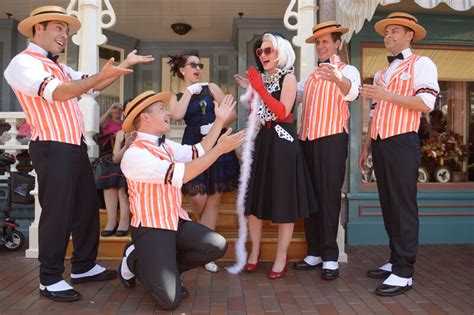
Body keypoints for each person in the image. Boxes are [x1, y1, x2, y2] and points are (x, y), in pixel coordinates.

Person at [3, 5, 154, 302]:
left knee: (85, 208)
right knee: (57, 213)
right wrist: (96, 78)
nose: (65, 35)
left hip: (73, 146)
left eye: (67, 30)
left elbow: (93, 84)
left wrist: (125, 64)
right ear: (39, 28)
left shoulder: (59, 67)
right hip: (51, 147)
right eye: (59, 28)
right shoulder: (21, 64)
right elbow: (60, 92)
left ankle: (83, 266)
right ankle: (49, 278)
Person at [118, 90, 245, 310]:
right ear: (145, 117)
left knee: (217, 245)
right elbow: (185, 174)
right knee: (169, 301)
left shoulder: (165, 146)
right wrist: (220, 151)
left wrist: (220, 120)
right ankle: (134, 259)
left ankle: (161, 267)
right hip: (151, 228)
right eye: (162, 109)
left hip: (174, 221)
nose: (168, 113)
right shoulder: (134, 155)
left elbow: (198, 150)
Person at [359, 12, 439, 296]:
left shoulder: (422, 64)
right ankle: (395, 260)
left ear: (410, 35)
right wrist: (367, 144)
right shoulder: (383, 72)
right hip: (381, 142)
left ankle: (405, 272)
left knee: (403, 205)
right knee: (389, 204)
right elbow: (376, 111)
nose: (388, 36)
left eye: (395, 31)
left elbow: (426, 103)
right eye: (386, 31)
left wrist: (386, 96)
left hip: (403, 141)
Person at [232, 33, 318, 279]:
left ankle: (281, 255)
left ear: (281, 52)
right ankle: (255, 251)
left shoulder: (289, 77)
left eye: (268, 50)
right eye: (260, 51)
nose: (263, 55)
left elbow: (282, 111)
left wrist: (258, 88)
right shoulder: (262, 80)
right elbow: (258, 112)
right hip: (263, 141)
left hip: (283, 139)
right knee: (255, 199)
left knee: (284, 199)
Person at [291, 21, 361, 280]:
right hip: (306, 141)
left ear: (336, 44)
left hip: (332, 140)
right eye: (318, 42)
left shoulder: (348, 70)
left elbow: (353, 93)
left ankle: (331, 256)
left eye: (325, 41)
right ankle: (315, 251)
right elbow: (290, 98)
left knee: (330, 197)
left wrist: (338, 78)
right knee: (310, 197)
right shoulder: (309, 77)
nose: (321, 46)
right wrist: (257, 89)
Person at [167, 51, 240, 273]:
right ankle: (199, 231)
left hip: (217, 143)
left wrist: (219, 120)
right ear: (182, 70)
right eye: (192, 65)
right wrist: (189, 91)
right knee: (198, 198)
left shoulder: (212, 88)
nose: (198, 68)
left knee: (214, 199)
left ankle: (205, 251)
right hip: (193, 147)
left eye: (199, 64)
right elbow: (177, 115)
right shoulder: (177, 95)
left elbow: (233, 114)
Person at [97, 127, 135, 237]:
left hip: (136, 166)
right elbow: (115, 159)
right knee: (111, 171)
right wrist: (126, 145)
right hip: (121, 166)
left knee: (121, 174)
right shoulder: (120, 133)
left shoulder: (141, 132)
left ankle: (124, 219)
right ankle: (112, 220)